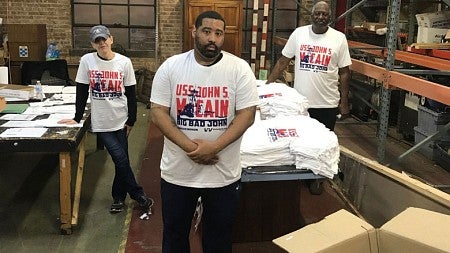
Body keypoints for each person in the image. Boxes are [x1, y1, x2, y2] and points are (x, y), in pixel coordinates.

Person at [150, 11, 259, 253]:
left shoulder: (239, 69)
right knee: (175, 235)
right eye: (206, 31)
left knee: (219, 238)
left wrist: (215, 147)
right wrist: (193, 148)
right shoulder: (172, 67)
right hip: (178, 173)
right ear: (194, 31)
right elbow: (158, 112)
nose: (213, 38)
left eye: (218, 33)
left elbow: (247, 115)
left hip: (222, 174)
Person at [58, 25, 153, 214]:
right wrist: (77, 117)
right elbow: (82, 91)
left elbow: (131, 93)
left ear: (111, 39)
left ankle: (118, 198)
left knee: (121, 161)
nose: (101, 43)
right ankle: (137, 194)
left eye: (104, 39)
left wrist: (131, 120)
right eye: (97, 41)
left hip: (121, 119)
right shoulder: (87, 61)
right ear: (93, 44)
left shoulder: (124, 62)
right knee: (120, 158)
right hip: (101, 122)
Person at [266, 1, 351, 131]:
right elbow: (283, 62)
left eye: (324, 14)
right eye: (317, 14)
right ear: (311, 16)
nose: (321, 17)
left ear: (329, 17)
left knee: (323, 143)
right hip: (301, 103)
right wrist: (267, 86)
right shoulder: (299, 34)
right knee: (300, 142)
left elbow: (344, 72)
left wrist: (344, 102)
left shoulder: (339, 38)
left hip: (327, 104)